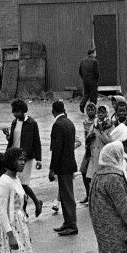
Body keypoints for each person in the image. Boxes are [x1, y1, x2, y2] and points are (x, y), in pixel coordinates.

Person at [3, 99, 43, 217]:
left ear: (24, 111)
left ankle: (36, 203)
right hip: (14, 157)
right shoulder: (14, 123)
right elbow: (14, 140)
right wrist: (7, 137)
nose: (15, 114)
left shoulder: (32, 123)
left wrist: (39, 159)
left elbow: (37, 141)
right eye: (14, 112)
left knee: (23, 184)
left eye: (18, 112)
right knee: (17, 184)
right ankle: (23, 209)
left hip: (26, 158)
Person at [49, 101, 79, 236]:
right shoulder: (69, 122)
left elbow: (56, 149)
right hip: (69, 163)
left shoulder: (57, 125)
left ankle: (72, 225)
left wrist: (52, 169)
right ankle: (68, 223)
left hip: (63, 165)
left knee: (67, 196)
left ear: (53, 111)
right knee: (66, 194)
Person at [83, 105, 113, 203]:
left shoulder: (111, 125)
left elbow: (110, 142)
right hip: (94, 155)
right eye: (99, 112)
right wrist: (89, 137)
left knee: (104, 178)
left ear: (106, 113)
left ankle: (105, 198)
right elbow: (87, 138)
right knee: (92, 177)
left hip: (104, 155)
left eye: (103, 112)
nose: (100, 114)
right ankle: (94, 197)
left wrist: (101, 131)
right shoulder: (94, 124)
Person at [79, 48, 100, 113]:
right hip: (93, 80)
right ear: (92, 53)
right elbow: (97, 73)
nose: (96, 55)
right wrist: (95, 79)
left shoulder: (83, 61)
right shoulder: (94, 61)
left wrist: (84, 77)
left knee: (86, 94)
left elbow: (80, 71)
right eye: (95, 53)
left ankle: (82, 104)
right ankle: (92, 109)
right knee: (93, 95)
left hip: (85, 80)